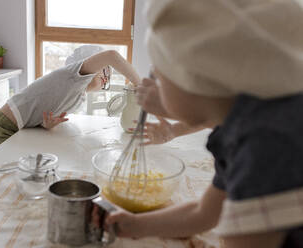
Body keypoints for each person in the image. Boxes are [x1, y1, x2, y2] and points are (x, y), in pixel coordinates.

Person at [106, 0, 303, 247]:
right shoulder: (248, 124)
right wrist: (135, 225)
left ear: (195, 80)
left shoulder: (266, 148)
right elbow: (204, 213)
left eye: (159, 75)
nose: (154, 86)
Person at [0, 45, 141, 152]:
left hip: (19, 128)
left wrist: (46, 124)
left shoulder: (78, 96)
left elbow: (40, 115)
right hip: (1, 128)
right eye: (104, 72)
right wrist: (140, 84)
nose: (106, 79)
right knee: (4, 174)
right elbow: (111, 55)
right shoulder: (72, 76)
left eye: (109, 77)